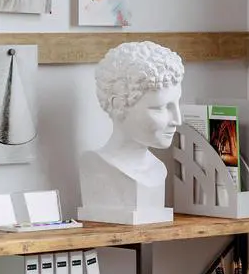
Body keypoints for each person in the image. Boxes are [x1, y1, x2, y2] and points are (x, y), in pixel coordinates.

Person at [78, 41, 184, 225]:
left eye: (176, 104)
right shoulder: (95, 165)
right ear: (118, 105)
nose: (177, 119)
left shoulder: (158, 170)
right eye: (160, 108)